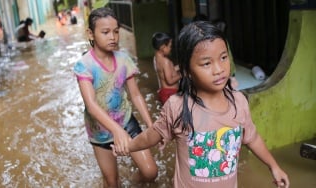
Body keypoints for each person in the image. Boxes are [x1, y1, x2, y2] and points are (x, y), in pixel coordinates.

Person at [112, 21, 290, 188]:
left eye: (223, 57)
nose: (219, 69)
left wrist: (273, 166)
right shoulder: (177, 106)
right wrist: (128, 147)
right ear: (187, 70)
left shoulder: (239, 102)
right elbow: (151, 136)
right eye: (206, 63)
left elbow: (252, 138)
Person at [73, 7, 158, 187]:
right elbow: (91, 105)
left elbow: (135, 95)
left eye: (116, 32)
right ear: (91, 33)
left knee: (150, 172)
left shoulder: (123, 59)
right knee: (112, 182)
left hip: (126, 121)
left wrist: (151, 126)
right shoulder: (84, 65)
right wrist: (117, 131)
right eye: (105, 32)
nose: (112, 37)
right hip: (100, 132)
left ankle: (134, 182)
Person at [152, 32, 181, 105]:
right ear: (163, 48)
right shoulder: (166, 62)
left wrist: (180, 67)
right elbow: (170, 81)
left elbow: (167, 71)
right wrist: (182, 74)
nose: (171, 48)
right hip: (170, 94)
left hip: (164, 92)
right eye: (170, 46)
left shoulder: (156, 59)